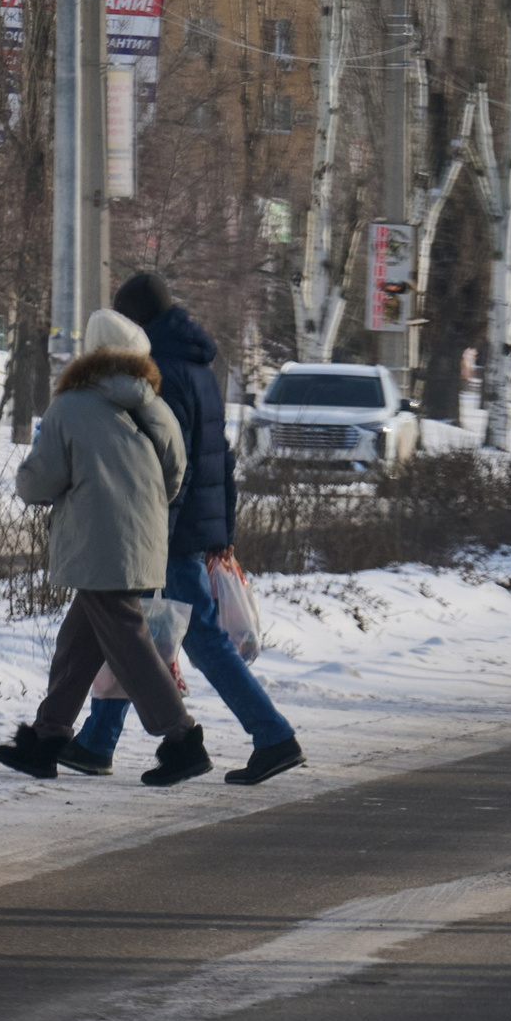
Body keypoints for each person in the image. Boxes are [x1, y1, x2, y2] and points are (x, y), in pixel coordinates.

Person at [67, 271, 307, 786]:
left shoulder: (163, 371)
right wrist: (221, 530)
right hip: (190, 525)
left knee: (196, 637)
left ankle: (274, 736)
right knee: (139, 632)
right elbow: (217, 453)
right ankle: (97, 740)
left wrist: (155, 531)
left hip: (167, 529)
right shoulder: (196, 364)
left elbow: (165, 463)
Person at [0, 308, 212, 788]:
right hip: (143, 538)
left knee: (129, 643)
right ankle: (47, 737)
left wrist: (28, 482)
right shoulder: (155, 405)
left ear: (91, 353)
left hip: (95, 541)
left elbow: (41, 480)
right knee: (79, 640)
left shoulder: (71, 405)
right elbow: (175, 476)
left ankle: (183, 740)